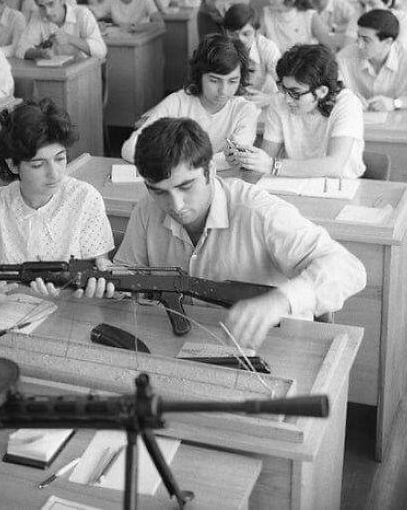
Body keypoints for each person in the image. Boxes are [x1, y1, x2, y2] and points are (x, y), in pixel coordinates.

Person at [114, 117, 366, 348]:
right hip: (188, 344)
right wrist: (110, 283)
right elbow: (127, 271)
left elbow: (349, 269)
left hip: (274, 345)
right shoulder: (146, 209)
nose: (176, 205)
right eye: (159, 192)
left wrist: (281, 300)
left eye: (186, 187)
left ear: (210, 171)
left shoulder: (260, 212)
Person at [0, 98, 115, 298]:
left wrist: (88, 284)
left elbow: (99, 273)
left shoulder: (85, 199)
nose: (54, 174)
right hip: (9, 313)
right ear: (12, 165)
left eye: (60, 158)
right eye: (38, 164)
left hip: (69, 314)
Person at [121, 34, 258, 165]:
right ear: (200, 75)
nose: (223, 90)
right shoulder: (178, 103)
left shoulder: (245, 110)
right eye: (214, 81)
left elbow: (237, 158)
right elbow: (130, 148)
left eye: (232, 81)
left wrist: (173, 161)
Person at [233, 44, 365, 178]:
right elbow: (265, 159)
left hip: (340, 188)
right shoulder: (280, 101)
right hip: (293, 184)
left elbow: (334, 166)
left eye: (295, 93)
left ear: (322, 91)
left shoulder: (347, 103)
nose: (288, 100)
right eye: (284, 89)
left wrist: (273, 165)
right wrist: (246, 160)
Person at [336, 10, 407, 111]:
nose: (359, 45)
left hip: (401, 122)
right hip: (358, 122)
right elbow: (330, 93)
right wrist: (347, 100)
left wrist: (395, 103)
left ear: (388, 42)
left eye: (366, 40)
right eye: (358, 37)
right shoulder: (344, 57)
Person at [15, 0, 106, 60]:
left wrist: (70, 39)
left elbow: (101, 51)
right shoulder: (38, 16)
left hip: (83, 71)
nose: (48, 12)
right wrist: (40, 53)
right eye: (41, 6)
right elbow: (21, 48)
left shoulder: (82, 14)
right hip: (54, 72)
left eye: (51, 4)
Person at [222, 4, 280, 108]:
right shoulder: (219, 47)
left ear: (256, 33)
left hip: (266, 105)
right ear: (225, 32)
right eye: (233, 34)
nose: (239, 39)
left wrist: (269, 98)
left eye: (246, 34)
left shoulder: (268, 48)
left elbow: (286, 87)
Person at [260, 0, 334, 54]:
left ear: (291, 0)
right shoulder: (266, 14)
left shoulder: (310, 17)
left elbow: (330, 49)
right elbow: (258, 48)